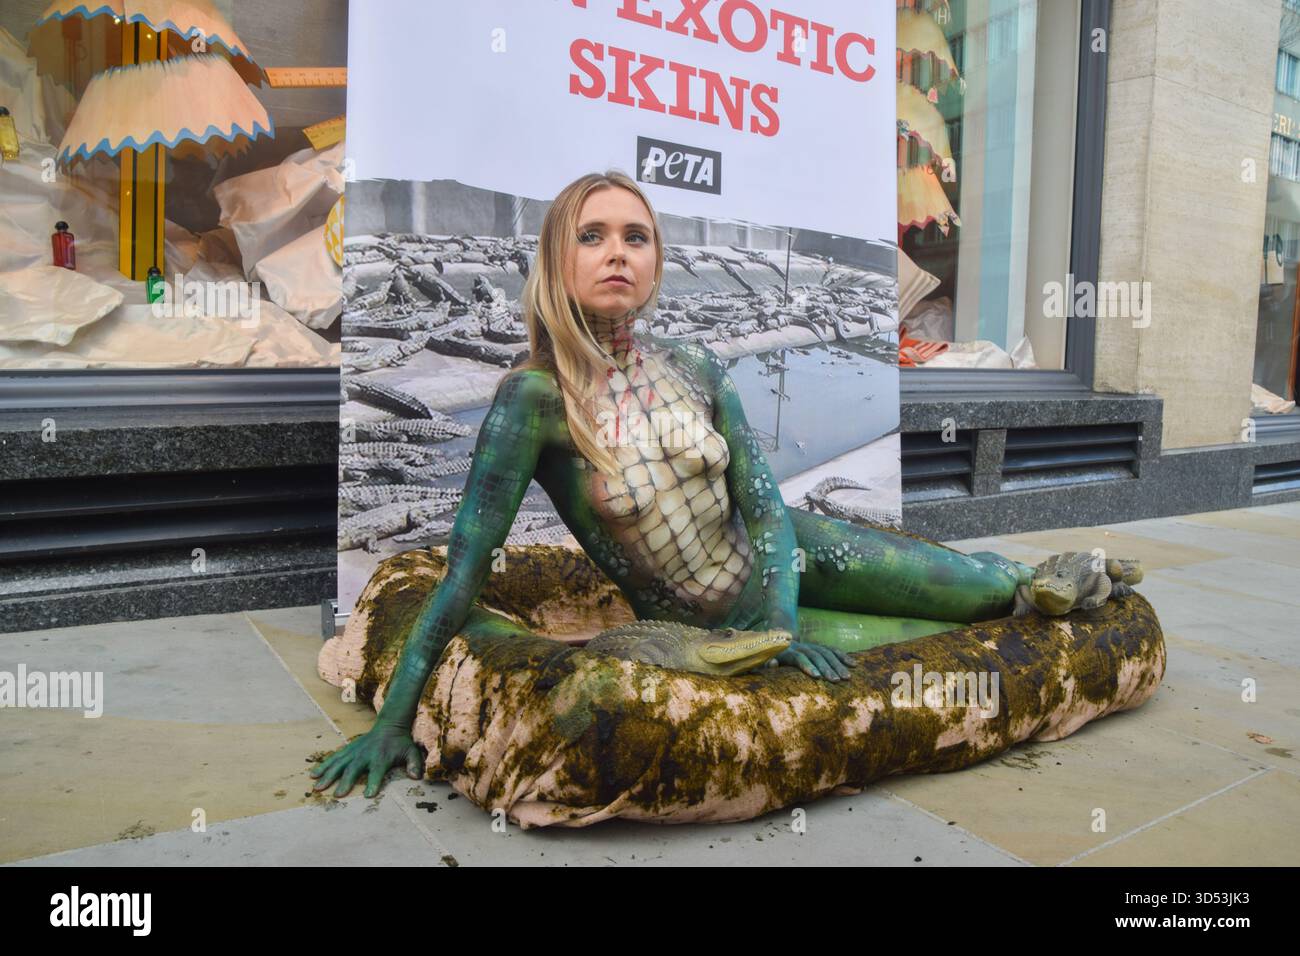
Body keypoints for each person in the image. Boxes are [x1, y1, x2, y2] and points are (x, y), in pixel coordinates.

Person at [312, 170, 1033, 798]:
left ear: (656, 261)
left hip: (793, 560)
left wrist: (780, 617)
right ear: (557, 259)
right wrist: (393, 723)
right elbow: (463, 571)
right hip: (715, 629)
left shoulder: (696, 363)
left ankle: (1057, 582)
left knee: (986, 587)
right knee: (939, 637)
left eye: (636, 237)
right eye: (592, 236)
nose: (618, 252)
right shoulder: (534, 398)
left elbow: (767, 510)